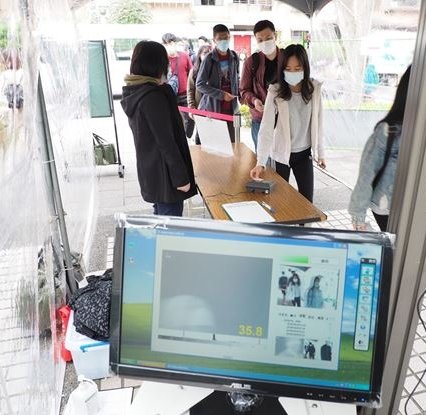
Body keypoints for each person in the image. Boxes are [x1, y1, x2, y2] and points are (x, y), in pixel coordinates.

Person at [121, 41, 197, 217]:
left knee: (161, 221)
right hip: (167, 176)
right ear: (157, 64)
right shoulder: (153, 96)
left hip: (152, 172)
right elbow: (166, 142)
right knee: (169, 229)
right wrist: (181, 178)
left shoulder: (136, 91)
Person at [250, 44, 326, 203]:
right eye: (288, 69)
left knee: (307, 201)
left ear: (305, 68)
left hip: (304, 154)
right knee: (278, 201)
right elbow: (266, 128)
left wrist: (321, 153)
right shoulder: (276, 91)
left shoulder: (314, 89)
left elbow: (319, 123)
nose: (293, 73)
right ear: (282, 69)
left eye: (297, 68)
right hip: (280, 155)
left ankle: (303, 228)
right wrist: (260, 162)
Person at [348, 65, 411, 231]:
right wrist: (358, 218)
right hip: (386, 206)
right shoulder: (388, 131)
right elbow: (366, 174)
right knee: (397, 250)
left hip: (412, 207)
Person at [240, 20, 281, 151]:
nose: (265, 42)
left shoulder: (287, 58)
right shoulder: (251, 62)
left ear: (276, 36)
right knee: (263, 160)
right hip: (261, 119)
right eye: (260, 40)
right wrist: (254, 100)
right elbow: (244, 90)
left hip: (284, 118)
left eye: (268, 38)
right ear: (256, 40)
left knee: (283, 160)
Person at [196, 24, 239, 143]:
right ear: (214, 40)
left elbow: (236, 78)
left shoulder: (234, 57)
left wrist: (240, 95)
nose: (224, 41)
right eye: (220, 38)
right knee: (215, 146)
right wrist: (221, 95)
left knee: (231, 144)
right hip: (213, 110)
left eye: (226, 37)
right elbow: (200, 84)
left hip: (231, 110)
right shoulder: (209, 59)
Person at [162, 33, 195, 139]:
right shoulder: (162, 59)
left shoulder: (184, 56)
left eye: (172, 43)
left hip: (184, 93)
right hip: (169, 94)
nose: (170, 45)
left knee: (190, 119)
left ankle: (186, 137)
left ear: (175, 43)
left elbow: (191, 73)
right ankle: (179, 138)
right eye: (167, 44)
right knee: (174, 120)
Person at [187, 45, 212, 144]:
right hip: (199, 108)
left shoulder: (215, 70)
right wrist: (191, 107)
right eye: (205, 53)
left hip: (213, 109)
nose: (207, 56)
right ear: (199, 56)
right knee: (200, 135)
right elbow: (190, 90)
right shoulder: (194, 71)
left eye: (210, 53)